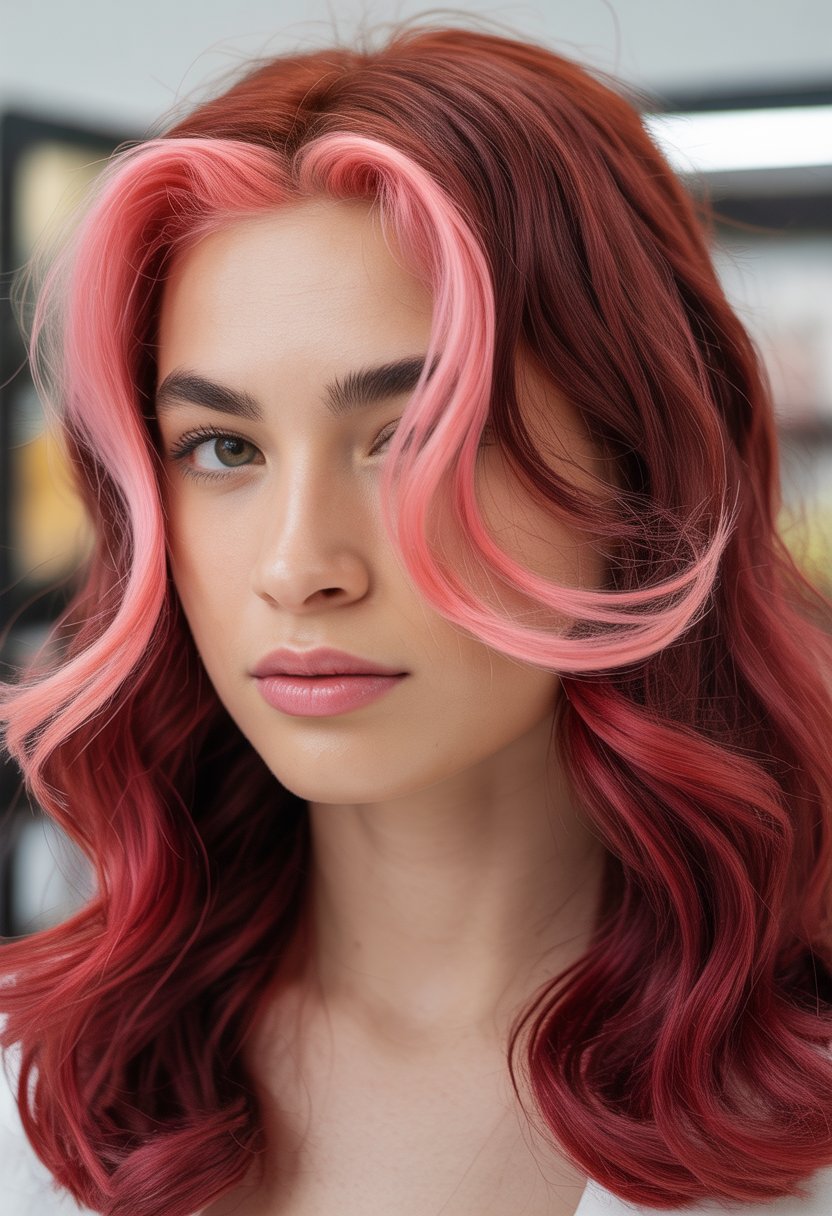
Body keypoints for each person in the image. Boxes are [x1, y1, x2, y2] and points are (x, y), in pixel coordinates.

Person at [1, 19, 831, 1216]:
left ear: (636, 466)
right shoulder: (51, 1087)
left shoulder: (795, 1112)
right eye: (223, 447)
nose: (298, 567)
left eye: (411, 436)